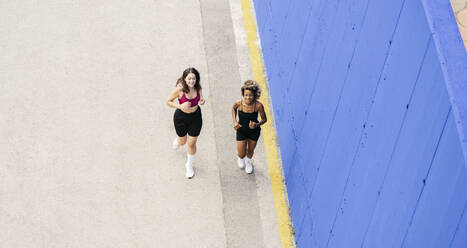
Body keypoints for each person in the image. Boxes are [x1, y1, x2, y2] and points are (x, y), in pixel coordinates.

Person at [167, 67, 205, 179]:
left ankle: (189, 165)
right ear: (184, 79)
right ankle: (178, 140)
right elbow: (168, 101)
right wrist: (180, 106)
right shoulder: (180, 89)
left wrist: (202, 99)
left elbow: (200, 92)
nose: (191, 81)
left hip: (196, 117)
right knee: (183, 142)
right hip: (181, 118)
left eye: (193, 78)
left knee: (191, 143)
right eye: (189, 79)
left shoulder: (198, 86)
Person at [232, 80, 267, 174]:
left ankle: (248, 162)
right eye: (246, 95)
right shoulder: (238, 103)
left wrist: (257, 124)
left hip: (254, 131)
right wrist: (235, 121)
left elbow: (264, 119)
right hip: (241, 130)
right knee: (241, 153)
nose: (248, 97)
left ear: (254, 95)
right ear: (243, 94)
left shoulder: (258, 106)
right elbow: (233, 109)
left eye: (250, 95)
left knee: (251, 150)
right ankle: (241, 158)